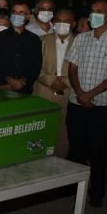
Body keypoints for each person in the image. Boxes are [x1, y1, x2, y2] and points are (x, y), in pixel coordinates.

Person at [64, 0, 107, 210]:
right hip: (76, 103)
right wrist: (80, 93)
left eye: (99, 11)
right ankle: (76, 190)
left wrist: (90, 94)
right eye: (92, 11)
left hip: (102, 106)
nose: (93, 15)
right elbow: (72, 68)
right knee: (77, 149)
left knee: (99, 153)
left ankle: (96, 193)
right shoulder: (81, 38)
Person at [34, 8, 77, 157]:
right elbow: (34, 66)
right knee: (40, 127)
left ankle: (60, 161)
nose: (61, 23)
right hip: (43, 91)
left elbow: (84, 69)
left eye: (66, 21)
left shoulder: (80, 42)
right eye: (58, 20)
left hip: (68, 92)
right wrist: (51, 80)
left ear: (73, 23)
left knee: (63, 131)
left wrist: (65, 81)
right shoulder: (41, 40)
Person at [0, 2, 42, 94]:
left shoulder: (34, 39)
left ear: (28, 16)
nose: (17, 15)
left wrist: (23, 82)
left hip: (25, 88)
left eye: (21, 13)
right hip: (2, 87)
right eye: (14, 12)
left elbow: (36, 66)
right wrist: (9, 81)